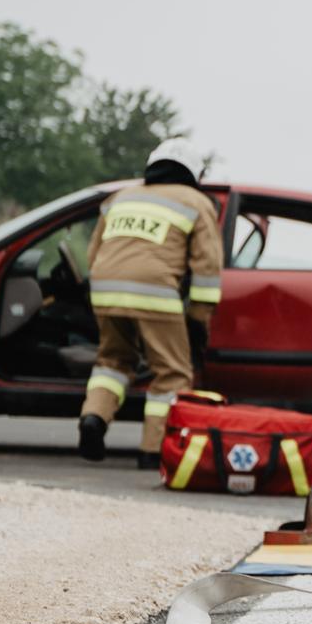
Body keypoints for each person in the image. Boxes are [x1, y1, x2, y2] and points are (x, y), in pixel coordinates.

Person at [78, 139, 223, 468]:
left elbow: (93, 253)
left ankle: (94, 418)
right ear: (192, 172)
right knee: (171, 374)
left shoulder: (121, 197)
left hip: (105, 290)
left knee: (112, 361)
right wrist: (199, 319)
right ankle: (152, 450)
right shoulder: (196, 203)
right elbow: (207, 268)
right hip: (155, 293)